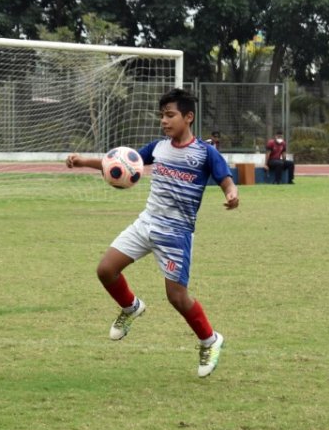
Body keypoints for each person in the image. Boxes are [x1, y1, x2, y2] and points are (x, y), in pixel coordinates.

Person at [66, 88, 240, 378]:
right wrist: (83, 161)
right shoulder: (157, 148)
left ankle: (210, 340)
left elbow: (226, 180)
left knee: (176, 297)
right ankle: (131, 307)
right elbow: (121, 162)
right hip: (147, 223)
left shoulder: (205, 153)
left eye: (170, 115)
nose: (164, 121)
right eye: (161, 116)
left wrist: (232, 194)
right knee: (106, 270)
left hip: (177, 233)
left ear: (188, 117)